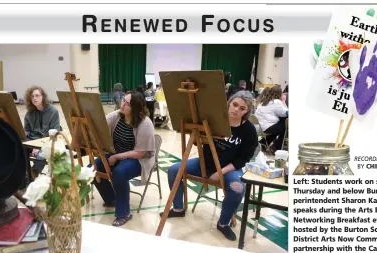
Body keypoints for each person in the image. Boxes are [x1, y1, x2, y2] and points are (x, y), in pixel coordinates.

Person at [161, 91, 258, 241]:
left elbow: (244, 158)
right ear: (229, 103)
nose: (236, 110)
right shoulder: (214, 120)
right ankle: (178, 208)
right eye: (234, 104)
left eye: (242, 108)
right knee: (174, 170)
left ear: (247, 111)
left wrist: (220, 172)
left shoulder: (249, 130)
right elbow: (200, 142)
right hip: (204, 163)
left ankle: (223, 223)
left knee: (237, 188)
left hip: (229, 168)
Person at [92, 92, 155, 227]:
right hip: (117, 154)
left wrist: (116, 157)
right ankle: (111, 199)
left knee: (120, 173)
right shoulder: (117, 116)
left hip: (138, 160)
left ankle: (124, 213)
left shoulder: (145, 123)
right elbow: (99, 123)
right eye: (123, 100)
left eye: (127, 103)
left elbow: (139, 153)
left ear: (135, 108)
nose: (122, 104)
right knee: (93, 168)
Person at [24, 86, 60, 175]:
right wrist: (32, 146)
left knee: (41, 156)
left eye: (37, 95)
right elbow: (26, 131)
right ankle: (23, 175)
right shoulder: (29, 113)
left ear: (43, 97)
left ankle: (32, 177)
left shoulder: (53, 112)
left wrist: (38, 146)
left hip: (46, 142)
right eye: (32, 96)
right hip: (31, 142)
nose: (34, 98)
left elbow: (54, 133)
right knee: (19, 151)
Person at [254, 85, 288, 152]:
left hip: (260, 126)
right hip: (267, 127)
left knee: (278, 127)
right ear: (280, 94)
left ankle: (263, 143)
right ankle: (276, 146)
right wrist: (283, 101)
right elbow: (285, 113)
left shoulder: (264, 101)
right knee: (285, 124)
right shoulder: (277, 102)